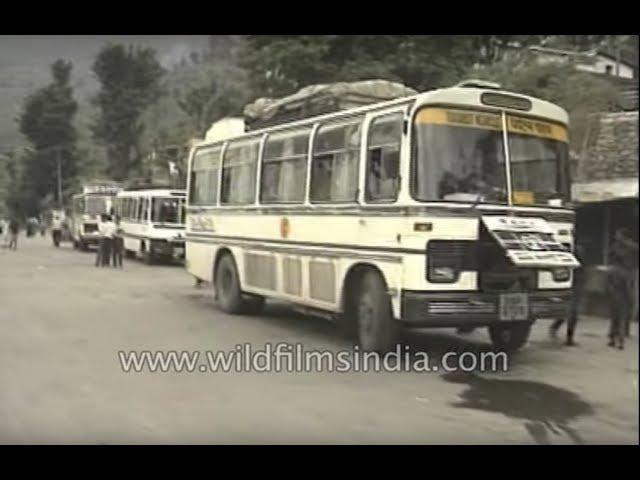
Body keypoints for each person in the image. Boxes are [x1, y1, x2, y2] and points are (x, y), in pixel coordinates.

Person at [607, 228, 638, 350]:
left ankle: (615, 338)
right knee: (622, 314)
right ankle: (619, 338)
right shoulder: (630, 248)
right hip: (624, 288)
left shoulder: (616, 267)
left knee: (617, 314)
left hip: (618, 290)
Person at [550, 243, 585, 346]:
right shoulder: (568, 255)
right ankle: (567, 336)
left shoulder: (572, 254)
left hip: (574, 285)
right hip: (570, 286)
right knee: (570, 312)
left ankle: (564, 334)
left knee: (570, 312)